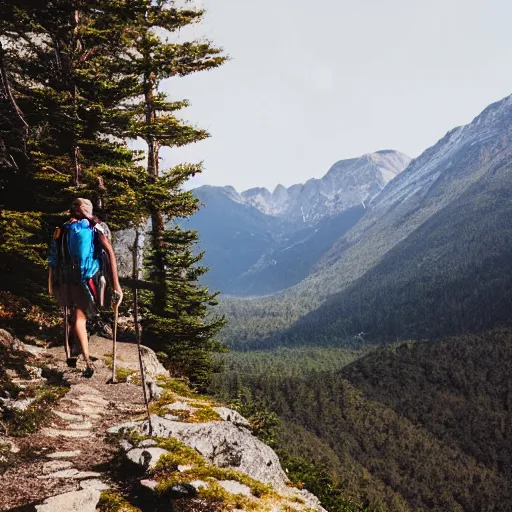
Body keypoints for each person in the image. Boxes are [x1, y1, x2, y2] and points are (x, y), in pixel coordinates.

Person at [48, 198, 123, 377]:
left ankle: (73, 352)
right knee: (78, 318)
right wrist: (117, 286)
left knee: (71, 316)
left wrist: (51, 282)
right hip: (87, 278)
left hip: (66, 279)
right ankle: (87, 359)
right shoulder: (95, 227)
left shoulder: (62, 229)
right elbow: (109, 253)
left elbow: (53, 258)